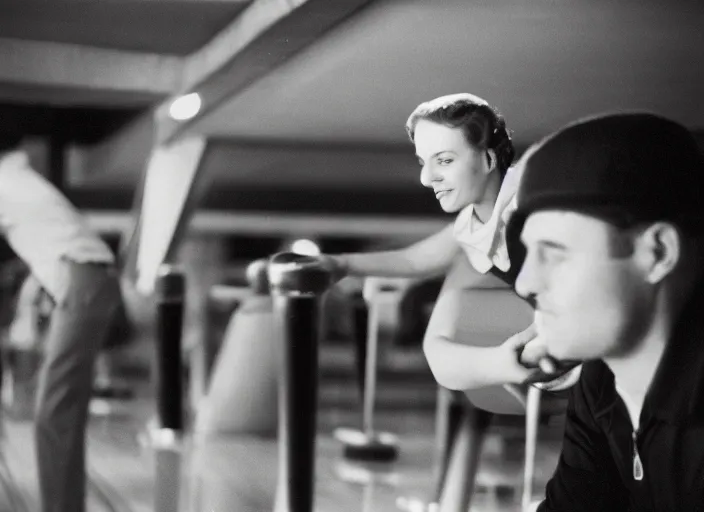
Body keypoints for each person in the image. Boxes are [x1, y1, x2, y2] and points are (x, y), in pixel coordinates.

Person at [506, 112, 704, 510]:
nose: (525, 283)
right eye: (529, 253)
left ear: (658, 253)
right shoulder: (601, 383)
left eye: (555, 253)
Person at [322, 93, 576, 391]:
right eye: (423, 162)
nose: (427, 178)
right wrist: (340, 263)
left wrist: (551, 333)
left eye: (444, 161)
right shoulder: (473, 223)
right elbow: (415, 260)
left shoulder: (532, 203)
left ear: (489, 159)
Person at [0, 134, 122, 512]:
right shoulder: (16, 179)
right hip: (88, 280)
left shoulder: (5, 182)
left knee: (54, 410)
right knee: (60, 409)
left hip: (82, 280)